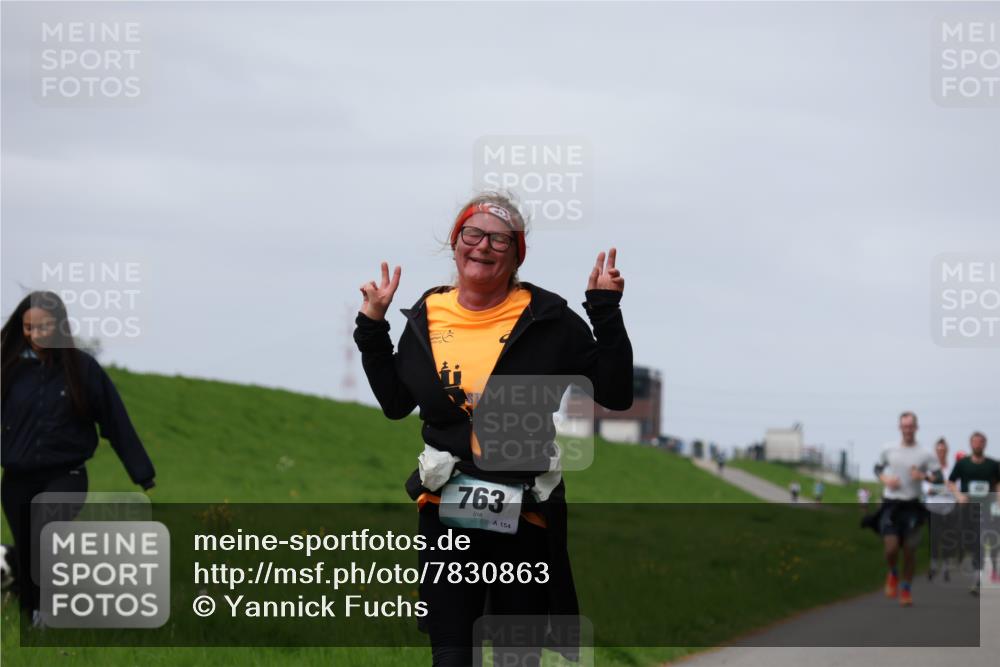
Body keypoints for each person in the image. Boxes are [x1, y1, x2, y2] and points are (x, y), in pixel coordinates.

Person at [352, 192, 633, 666]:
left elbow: (616, 392)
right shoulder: (427, 314)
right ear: (455, 242)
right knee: (451, 654)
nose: (483, 246)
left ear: (517, 252)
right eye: (473, 234)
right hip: (445, 514)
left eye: (499, 239)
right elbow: (397, 402)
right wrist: (372, 327)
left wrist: (605, 310)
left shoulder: (548, 319)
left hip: (524, 515)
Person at [1, 291, 156, 626]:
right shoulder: (9, 370)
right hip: (16, 478)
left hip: (66, 474)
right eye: (28, 327)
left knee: (46, 530)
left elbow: (116, 421)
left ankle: (49, 613)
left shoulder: (82, 369)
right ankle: (32, 617)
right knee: (27, 549)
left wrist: (142, 473)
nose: (35, 334)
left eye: (43, 327)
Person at [869, 411, 942, 607]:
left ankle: (906, 589)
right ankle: (893, 572)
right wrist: (885, 479)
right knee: (891, 548)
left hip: (913, 505)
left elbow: (938, 477)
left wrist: (923, 477)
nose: (908, 430)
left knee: (909, 550)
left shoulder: (925, 453)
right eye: (905, 426)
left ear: (916, 428)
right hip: (892, 503)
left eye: (911, 426)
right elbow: (877, 468)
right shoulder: (888, 449)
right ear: (900, 427)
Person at [946, 431, 999, 595]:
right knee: (966, 539)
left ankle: (977, 579)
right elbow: (951, 482)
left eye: (981, 442)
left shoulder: (993, 464)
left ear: (985, 444)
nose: (978, 445)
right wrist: (959, 495)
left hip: (985, 508)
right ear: (971, 444)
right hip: (967, 507)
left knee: (980, 542)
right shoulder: (963, 464)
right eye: (975, 442)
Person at [924, 437, 955, 582]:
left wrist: (939, 489)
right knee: (935, 538)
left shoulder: (952, 469)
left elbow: (956, 488)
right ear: (935, 451)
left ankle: (946, 568)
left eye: (943, 450)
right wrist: (943, 488)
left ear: (947, 451)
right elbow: (926, 489)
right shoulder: (929, 470)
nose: (941, 452)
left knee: (948, 538)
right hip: (933, 507)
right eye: (938, 450)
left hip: (949, 507)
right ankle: (934, 565)